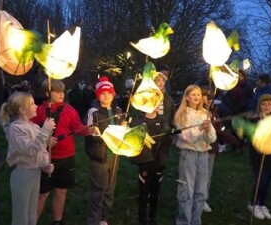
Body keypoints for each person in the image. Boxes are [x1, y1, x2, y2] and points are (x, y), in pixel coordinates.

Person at [31, 80, 97, 225]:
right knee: (43, 193)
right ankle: (31, 221)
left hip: (66, 156)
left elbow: (77, 127)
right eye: (57, 91)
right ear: (47, 93)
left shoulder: (69, 110)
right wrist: (44, 140)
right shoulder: (39, 111)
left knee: (61, 190)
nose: (61, 94)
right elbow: (31, 132)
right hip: (45, 158)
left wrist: (88, 129)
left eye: (62, 91)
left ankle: (57, 220)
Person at [0, 91, 56, 225]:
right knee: (21, 215)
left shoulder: (34, 127)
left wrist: (45, 164)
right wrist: (45, 131)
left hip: (35, 173)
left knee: (31, 213)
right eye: (32, 104)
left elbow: (41, 150)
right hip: (22, 174)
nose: (36, 106)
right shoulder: (15, 129)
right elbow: (30, 150)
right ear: (22, 110)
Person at [174, 85, 216, 225]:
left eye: (198, 94)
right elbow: (185, 137)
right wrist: (199, 128)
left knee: (201, 192)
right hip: (189, 155)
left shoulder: (205, 114)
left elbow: (212, 139)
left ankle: (196, 220)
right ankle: (184, 221)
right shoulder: (182, 114)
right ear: (186, 97)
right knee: (187, 191)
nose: (196, 97)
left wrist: (209, 128)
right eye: (193, 94)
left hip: (203, 155)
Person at [85, 76, 124, 225]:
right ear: (98, 95)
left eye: (109, 92)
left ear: (113, 94)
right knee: (98, 190)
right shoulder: (93, 112)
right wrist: (94, 132)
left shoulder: (118, 110)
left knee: (109, 190)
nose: (106, 95)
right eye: (102, 93)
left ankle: (103, 218)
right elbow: (89, 133)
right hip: (98, 156)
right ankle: (93, 220)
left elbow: (121, 132)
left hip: (113, 155)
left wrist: (123, 127)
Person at [130, 104, 171, 225]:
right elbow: (132, 137)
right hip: (144, 161)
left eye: (156, 103)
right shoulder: (138, 120)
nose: (154, 106)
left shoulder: (163, 120)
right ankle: (142, 219)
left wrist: (168, 134)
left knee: (155, 191)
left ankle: (152, 217)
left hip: (159, 161)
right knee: (143, 191)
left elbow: (168, 139)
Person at [201, 89, 241, 213]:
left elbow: (220, 129)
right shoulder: (196, 112)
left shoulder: (214, 112)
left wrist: (234, 141)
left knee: (207, 175)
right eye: (205, 97)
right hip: (198, 149)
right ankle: (193, 198)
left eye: (210, 98)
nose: (208, 100)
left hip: (211, 149)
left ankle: (203, 200)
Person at [246, 94, 271, 220]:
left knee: (268, 180)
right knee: (261, 180)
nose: (266, 106)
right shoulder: (254, 119)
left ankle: (262, 203)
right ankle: (253, 203)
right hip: (258, 156)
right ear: (259, 105)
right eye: (264, 104)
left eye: (269, 104)